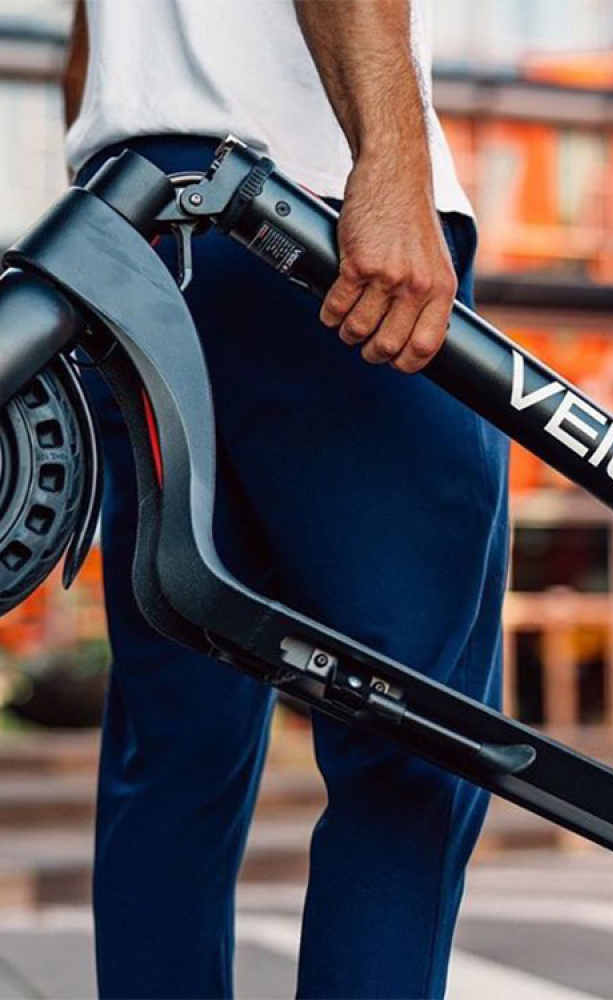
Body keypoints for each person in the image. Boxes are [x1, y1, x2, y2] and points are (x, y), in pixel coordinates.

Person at [61, 1, 509, 997]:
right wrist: (393, 163)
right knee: (417, 737)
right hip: (301, 213)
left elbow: (93, 49)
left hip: (135, 231)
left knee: (174, 750)